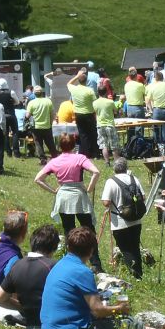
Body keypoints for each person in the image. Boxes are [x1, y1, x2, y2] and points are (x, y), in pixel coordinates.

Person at [40, 227, 165, 329]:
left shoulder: (60, 265)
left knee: (114, 296)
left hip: (50, 328)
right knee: (128, 323)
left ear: (68, 247)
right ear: (91, 251)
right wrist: (119, 308)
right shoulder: (82, 272)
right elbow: (98, 310)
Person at [34, 133, 102, 271]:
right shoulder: (80, 158)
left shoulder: (55, 161)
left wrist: (54, 191)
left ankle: (71, 263)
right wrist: (89, 188)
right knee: (89, 229)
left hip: (63, 197)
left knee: (69, 231)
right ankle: (96, 264)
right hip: (78, 196)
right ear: (73, 144)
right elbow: (96, 172)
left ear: (60, 146)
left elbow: (38, 179)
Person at [0, 224, 60, 329]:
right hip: (51, 324)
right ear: (54, 247)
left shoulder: (17, 265)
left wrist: (24, 308)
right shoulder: (53, 267)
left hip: (30, 323)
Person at [101, 157, 146, 279]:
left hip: (120, 222)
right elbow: (144, 197)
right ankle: (139, 273)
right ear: (126, 168)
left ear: (114, 168)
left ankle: (134, 275)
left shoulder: (111, 181)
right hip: (136, 220)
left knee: (125, 248)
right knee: (135, 246)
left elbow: (106, 202)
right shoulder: (134, 179)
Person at [67, 69, 100, 158]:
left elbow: (68, 83)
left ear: (78, 80)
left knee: (83, 134)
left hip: (78, 114)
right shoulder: (90, 91)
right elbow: (95, 103)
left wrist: (77, 76)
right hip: (89, 114)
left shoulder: (74, 89)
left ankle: (85, 153)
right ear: (87, 81)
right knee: (93, 134)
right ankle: (95, 153)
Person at [26, 86, 57, 165]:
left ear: (34, 94)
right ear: (42, 93)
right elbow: (52, 114)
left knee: (38, 143)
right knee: (50, 142)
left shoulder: (31, 103)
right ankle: (55, 156)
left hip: (36, 127)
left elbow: (27, 116)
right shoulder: (48, 101)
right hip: (47, 126)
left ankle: (42, 159)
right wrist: (50, 123)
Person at [93, 85, 120, 166]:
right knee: (114, 145)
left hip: (100, 125)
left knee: (103, 145)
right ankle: (116, 162)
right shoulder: (110, 102)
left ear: (98, 92)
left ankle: (107, 162)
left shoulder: (94, 103)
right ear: (106, 92)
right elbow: (115, 112)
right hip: (110, 125)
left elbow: (94, 113)